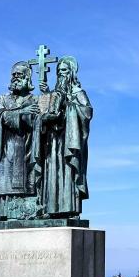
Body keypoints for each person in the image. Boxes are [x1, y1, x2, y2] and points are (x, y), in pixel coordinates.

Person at [37, 56, 92, 217]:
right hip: (53, 141)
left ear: (72, 73)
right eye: (59, 71)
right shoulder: (55, 93)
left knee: (68, 171)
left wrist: (67, 107)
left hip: (69, 140)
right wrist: (48, 98)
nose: (61, 74)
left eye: (65, 71)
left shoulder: (78, 92)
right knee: (52, 171)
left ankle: (70, 209)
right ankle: (50, 208)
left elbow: (87, 112)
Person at [0, 62, 40, 219]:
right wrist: (22, 112)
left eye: (20, 75)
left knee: (29, 181)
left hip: (28, 146)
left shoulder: (34, 100)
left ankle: (29, 212)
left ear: (27, 78)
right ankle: (5, 212)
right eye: (14, 75)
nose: (16, 78)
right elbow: (1, 117)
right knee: (7, 180)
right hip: (7, 147)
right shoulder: (2, 99)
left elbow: (36, 120)